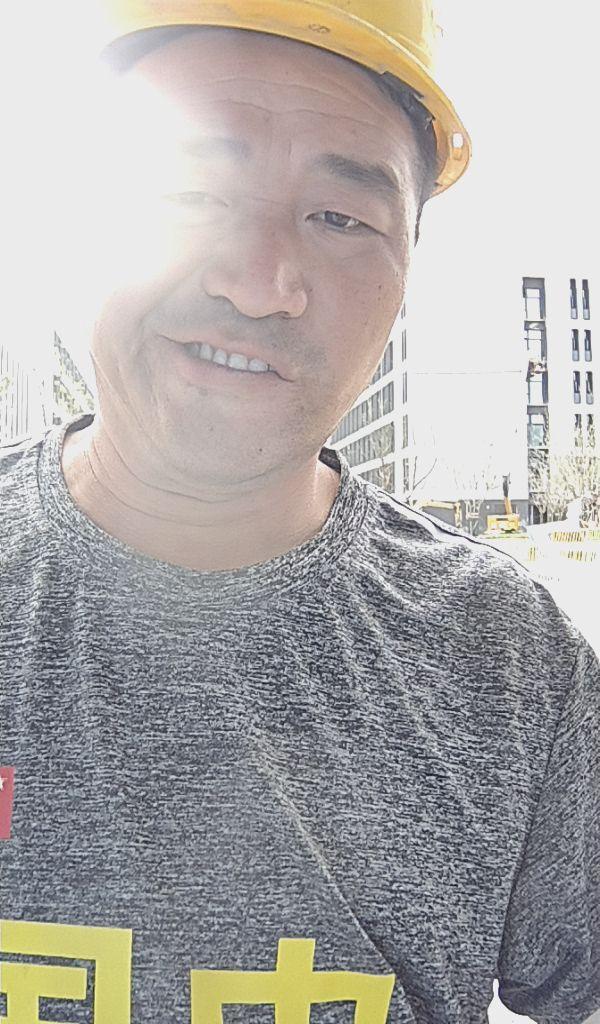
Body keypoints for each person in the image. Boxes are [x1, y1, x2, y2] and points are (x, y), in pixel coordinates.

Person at [1, 3, 598, 1022]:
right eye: (188, 189)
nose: (259, 284)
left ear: (404, 279)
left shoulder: (510, 657)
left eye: (339, 219)